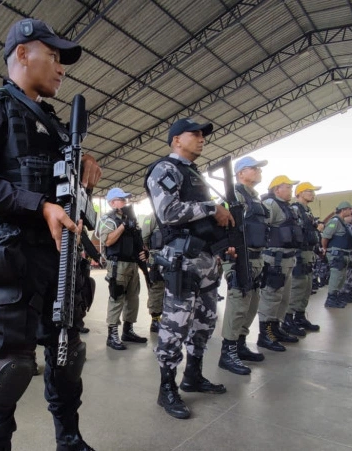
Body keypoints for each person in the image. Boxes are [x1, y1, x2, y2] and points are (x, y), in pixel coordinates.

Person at [0, 18, 101, 450]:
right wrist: (40, 206)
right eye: (53, 56)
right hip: (15, 256)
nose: (61, 67)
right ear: (21, 53)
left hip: (60, 257)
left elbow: (62, 188)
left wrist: (83, 167)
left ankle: (69, 439)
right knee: (13, 366)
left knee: (67, 357)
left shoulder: (56, 127)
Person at [144, 118, 234, 420]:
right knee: (174, 328)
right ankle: (166, 388)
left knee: (205, 323)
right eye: (193, 134)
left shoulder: (193, 174)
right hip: (182, 261)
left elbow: (202, 221)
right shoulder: (165, 169)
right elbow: (168, 212)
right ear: (175, 141)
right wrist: (213, 208)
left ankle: (193, 375)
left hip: (206, 260)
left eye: (202, 135)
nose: (201, 139)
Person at [217, 156, 268, 376]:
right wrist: (225, 251)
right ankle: (227, 352)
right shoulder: (233, 196)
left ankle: (239, 344)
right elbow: (218, 223)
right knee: (238, 304)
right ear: (240, 173)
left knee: (252, 304)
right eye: (253, 169)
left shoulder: (254, 198)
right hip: (239, 256)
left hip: (256, 256)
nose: (258, 171)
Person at [96, 187, 148, 350]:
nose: (125, 202)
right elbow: (108, 241)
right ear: (112, 203)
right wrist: (123, 226)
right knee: (116, 297)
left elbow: (138, 242)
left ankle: (128, 330)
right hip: (118, 265)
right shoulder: (108, 219)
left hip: (132, 264)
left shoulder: (131, 220)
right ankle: (112, 335)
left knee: (133, 298)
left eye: (125, 199)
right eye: (121, 199)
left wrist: (144, 252)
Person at [257, 175, 302, 352]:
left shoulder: (287, 207)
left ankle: (275, 329)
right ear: (277, 189)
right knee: (271, 297)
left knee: (283, 298)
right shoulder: (270, 205)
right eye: (288, 187)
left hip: (288, 259)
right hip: (274, 260)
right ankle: (265, 334)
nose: (291, 190)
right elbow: (262, 229)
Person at [286, 182, 322, 334]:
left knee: (307, 287)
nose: (312, 194)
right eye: (309, 191)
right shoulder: (295, 209)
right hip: (299, 253)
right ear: (299, 193)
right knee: (297, 287)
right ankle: (288, 319)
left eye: (313, 191)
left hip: (309, 253)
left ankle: (300, 316)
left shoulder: (307, 211)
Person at [321, 201, 352, 308]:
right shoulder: (335, 221)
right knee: (336, 277)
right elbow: (325, 237)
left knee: (341, 277)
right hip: (336, 254)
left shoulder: (342, 223)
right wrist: (325, 248)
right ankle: (330, 299)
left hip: (343, 254)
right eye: (350, 209)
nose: (351, 211)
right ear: (344, 209)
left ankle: (336, 297)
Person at [140, 213, 165, 333]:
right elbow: (143, 239)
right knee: (157, 288)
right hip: (157, 258)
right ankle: (155, 320)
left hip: (177, 258)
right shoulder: (151, 217)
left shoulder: (179, 214)